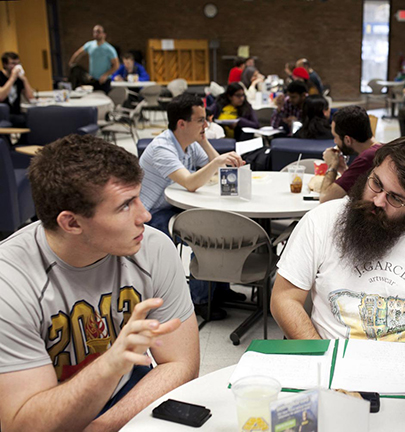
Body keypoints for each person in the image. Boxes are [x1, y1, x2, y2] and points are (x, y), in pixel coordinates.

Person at [0, 134, 199, 431]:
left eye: (139, 197)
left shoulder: (152, 247)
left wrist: (105, 425)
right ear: (72, 223)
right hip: (47, 406)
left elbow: (180, 364)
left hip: (123, 393)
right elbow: (23, 424)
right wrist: (108, 366)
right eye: (124, 206)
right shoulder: (11, 281)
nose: (145, 215)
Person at [271, 136, 405, 355]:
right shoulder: (320, 221)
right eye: (377, 183)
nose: (378, 201)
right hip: (329, 364)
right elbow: (284, 298)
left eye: (396, 198)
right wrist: (322, 358)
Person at [139, 93, 245, 319]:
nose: (206, 124)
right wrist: (217, 161)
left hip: (174, 206)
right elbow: (190, 183)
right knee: (205, 233)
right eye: (200, 120)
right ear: (181, 124)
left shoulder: (188, 144)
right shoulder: (162, 148)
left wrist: (204, 141)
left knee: (220, 222)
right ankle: (201, 300)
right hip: (151, 216)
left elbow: (217, 169)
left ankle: (220, 290)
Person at [320, 105, 380, 203]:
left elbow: (325, 198)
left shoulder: (367, 159)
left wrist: (332, 166)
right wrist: (343, 170)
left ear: (347, 140)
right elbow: (357, 185)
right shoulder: (377, 150)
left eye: (335, 137)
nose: (335, 141)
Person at [69, 24, 119, 93]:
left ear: (104, 34)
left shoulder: (109, 49)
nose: (96, 34)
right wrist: (72, 63)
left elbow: (116, 65)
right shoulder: (89, 45)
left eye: (98, 32)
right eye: (94, 32)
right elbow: (78, 54)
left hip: (104, 80)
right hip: (92, 79)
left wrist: (106, 75)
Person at [0, 52, 34, 127]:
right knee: (23, 120)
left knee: (33, 118)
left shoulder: (19, 79)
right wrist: (12, 78)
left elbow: (31, 99)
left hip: (17, 113)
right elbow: (1, 97)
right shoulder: (1, 76)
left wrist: (25, 80)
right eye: (13, 63)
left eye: (18, 64)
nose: (16, 66)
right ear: (5, 64)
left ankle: (23, 139)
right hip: (3, 114)